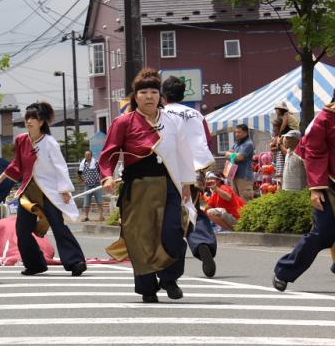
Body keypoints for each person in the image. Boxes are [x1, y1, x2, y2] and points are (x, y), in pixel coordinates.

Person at [100, 68, 196, 303]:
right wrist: (107, 176)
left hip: (169, 184)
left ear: (161, 96)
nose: (149, 96)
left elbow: (184, 153)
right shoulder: (124, 122)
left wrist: (186, 183)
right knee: (141, 238)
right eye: (144, 92)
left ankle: (169, 277)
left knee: (173, 233)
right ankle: (147, 288)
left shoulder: (172, 121)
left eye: (154, 91)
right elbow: (109, 153)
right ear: (135, 96)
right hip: (138, 187)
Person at [0, 101, 86, 276]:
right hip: (28, 191)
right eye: (27, 118)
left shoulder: (49, 142)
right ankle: (35, 264)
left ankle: (75, 261)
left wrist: (65, 190)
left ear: (41, 122)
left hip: (49, 191)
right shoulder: (21, 140)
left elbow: (60, 166)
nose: (29, 121)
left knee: (58, 225)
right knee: (22, 230)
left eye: (33, 118)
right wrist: (1, 177)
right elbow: (17, 164)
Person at [273, 98, 335, 291]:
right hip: (327, 183)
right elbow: (315, 152)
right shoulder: (324, 119)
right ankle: (284, 271)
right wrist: (316, 188)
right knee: (323, 232)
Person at [162, 75, 218, 277]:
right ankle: (202, 242)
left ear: (163, 95)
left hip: (170, 168)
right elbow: (207, 140)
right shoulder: (196, 114)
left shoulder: (162, 114)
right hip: (195, 168)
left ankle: (170, 253)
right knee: (193, 207)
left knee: (168, 211)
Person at [226, 124, 255, 200]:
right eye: (235, 132)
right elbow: (226, 154)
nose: (236, 134)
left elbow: (240, 157)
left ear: (246, 132)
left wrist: (231, 155)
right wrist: (234, 155)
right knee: (236, 201)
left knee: (245, 201)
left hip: (244, 177)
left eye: (239, 132)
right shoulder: (236, 144)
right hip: (234, 175)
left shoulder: (248, 144)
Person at [78, 151, 104, 222]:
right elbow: (79, 173)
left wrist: (101, 179)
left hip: (97, 184)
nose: (87, 156)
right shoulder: (83, 163)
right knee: (86, 201)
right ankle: (86, 216)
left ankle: (101, 216)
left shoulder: (96, 162)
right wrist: (81, 180)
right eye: (86, 155)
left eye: (89, 155)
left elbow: (100, 171)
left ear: (91, 155)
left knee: (99, 200)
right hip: (87, 185)